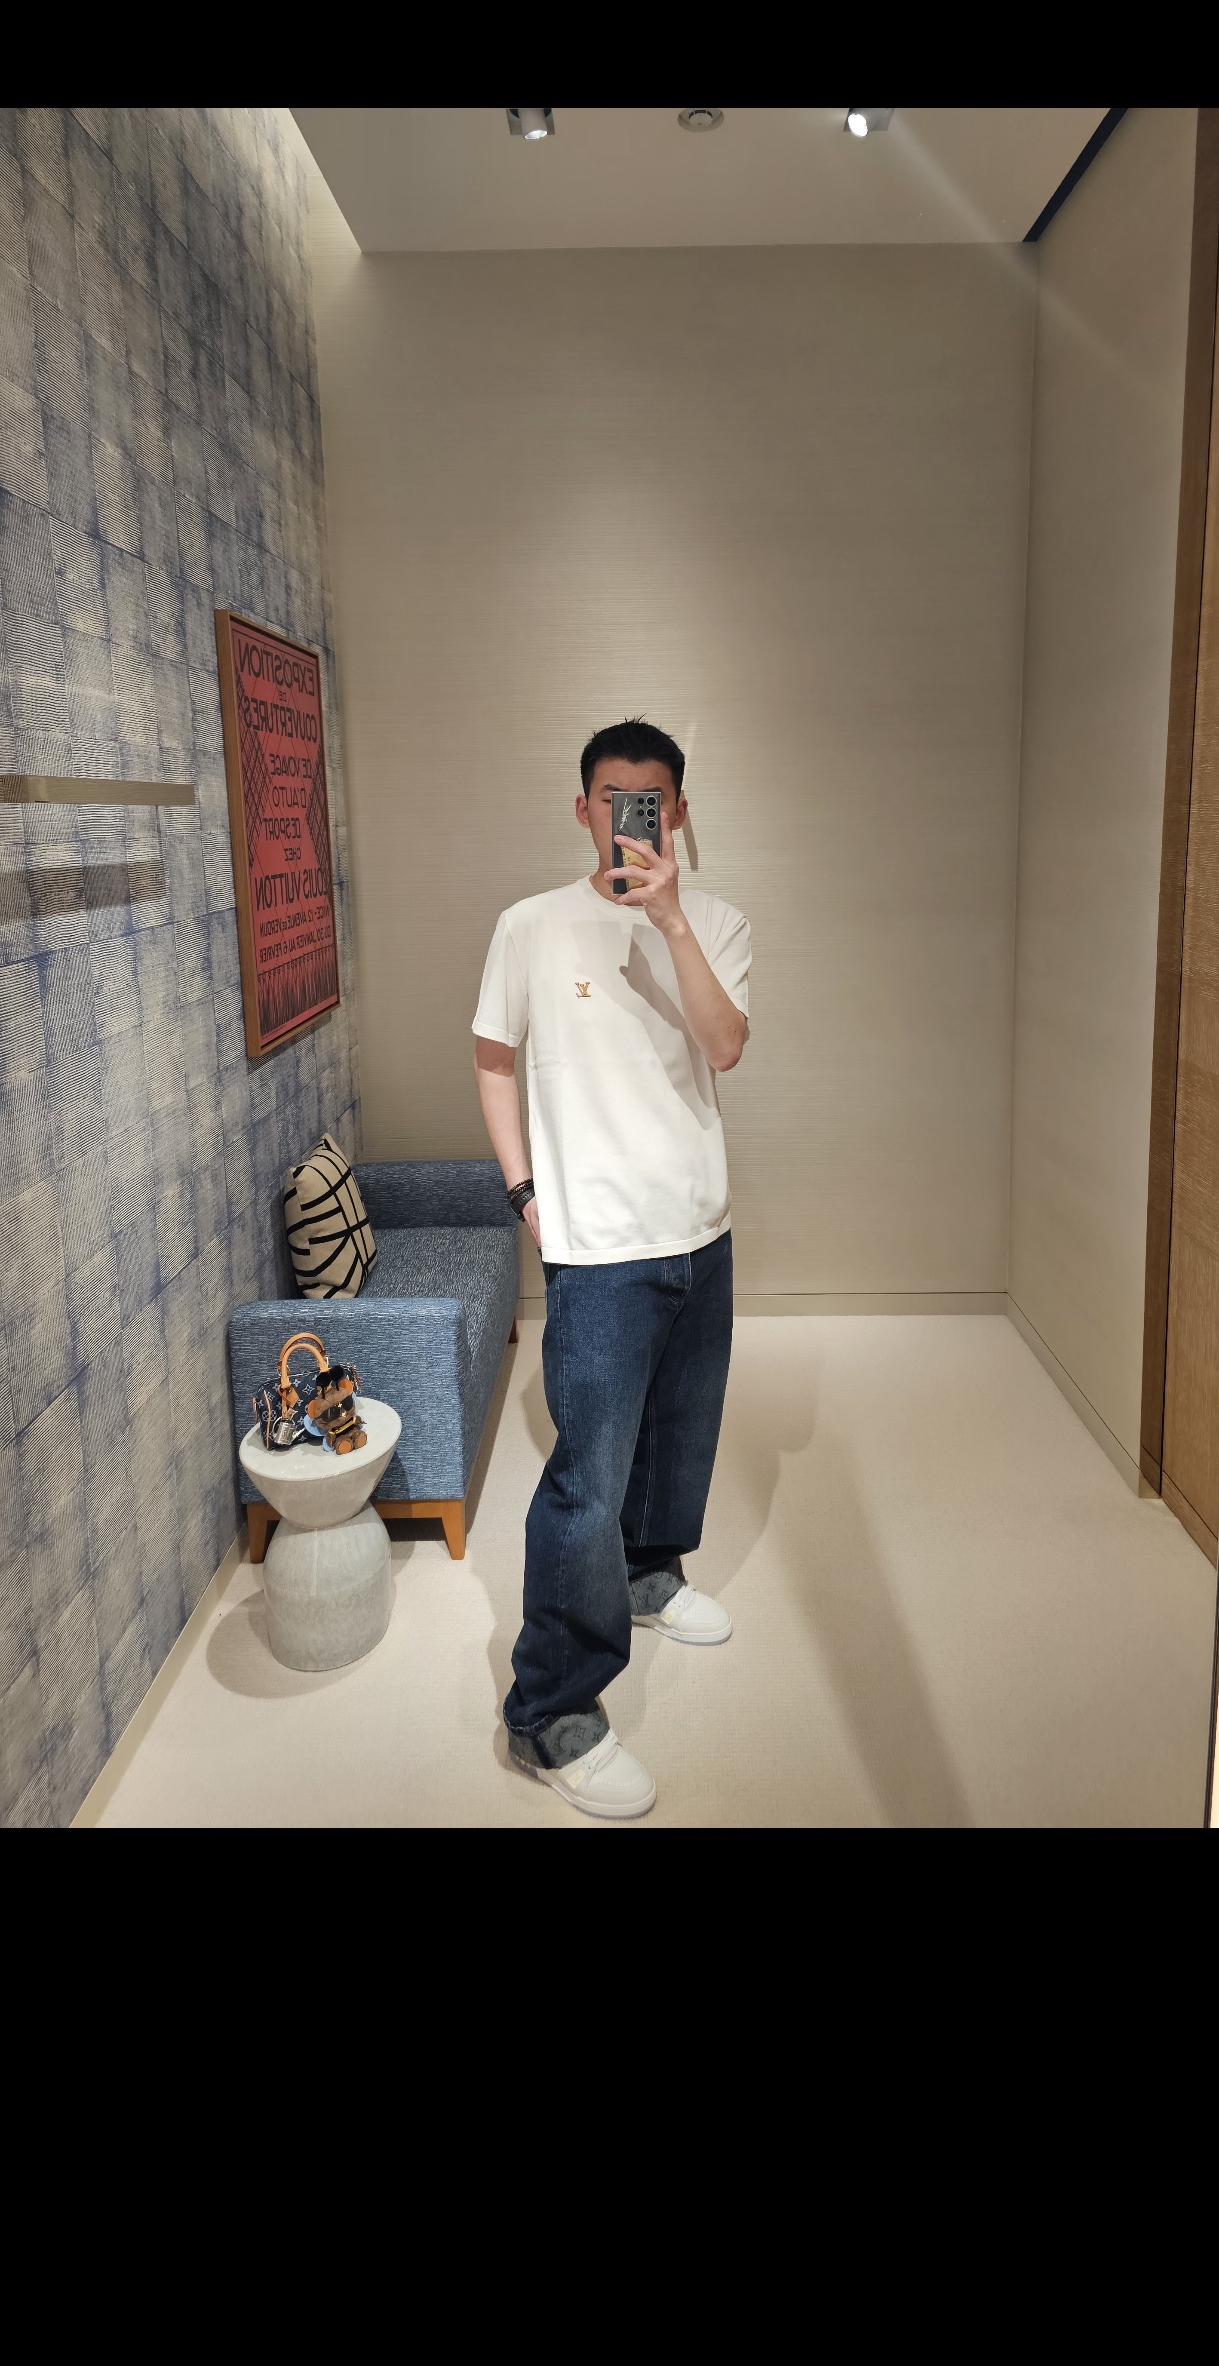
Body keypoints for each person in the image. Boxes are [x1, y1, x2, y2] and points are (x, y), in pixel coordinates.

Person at [472, 718, 751, 1818]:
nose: (629, 818)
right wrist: (523, 1194)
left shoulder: (717, 921)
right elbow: (494, 1061)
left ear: (676, 813)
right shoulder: (530, 926)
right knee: (588, 1480)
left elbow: (725, 1045)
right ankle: (551, 1712)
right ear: (583, 808)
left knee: (680, 1437)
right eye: (610, 798)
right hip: (594, 1246)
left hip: (700, 1229)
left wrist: (669, 916)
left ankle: (648, 1577)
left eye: (652, 801)